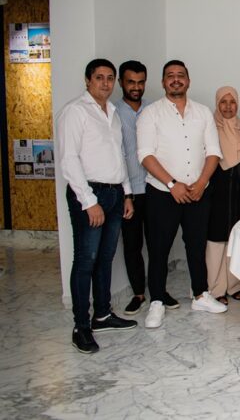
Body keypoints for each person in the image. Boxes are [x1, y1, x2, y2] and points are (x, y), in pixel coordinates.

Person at [137, 60, 227, 329]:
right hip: (162, 192)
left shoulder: (202, 112)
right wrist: (171, 184)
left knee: (196, 246)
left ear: (188, 81)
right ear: (163, 82)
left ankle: (200, 295)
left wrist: (201, 182)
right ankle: (157, 301)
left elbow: (213, 151)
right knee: (159, 248)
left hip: (198, 191)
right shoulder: (151, 113)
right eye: (170, 76)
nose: (176, 79)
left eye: (180, 75)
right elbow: (145, 154)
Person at [57, 59, 137, 354]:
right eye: (99, 77)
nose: (105, 83)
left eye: (110, 78)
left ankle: (102, 315)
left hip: (115, 193)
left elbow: (119, 156)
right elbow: (69, 160)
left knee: (105, 258)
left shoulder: (112, 112)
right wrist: (89, 201)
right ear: (87, 80)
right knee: (85, 260)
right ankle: (81, 326)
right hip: (90, 194)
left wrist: (127, 194)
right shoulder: (75, 112)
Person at [116, 60, 180, 316]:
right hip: (130, 191)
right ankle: (138, 294)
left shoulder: (155, 111)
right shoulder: (113, 113)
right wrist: (125, 193)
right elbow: (116, 155)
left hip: (156, 188)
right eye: (131, 82)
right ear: (121, 83)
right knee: (132, 244)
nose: (136, 87)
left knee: (158, 244)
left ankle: (159, 292)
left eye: (141, 82)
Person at [206, 86, 240, 305]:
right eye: (223, 102)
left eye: (232, 102)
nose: (228, 107)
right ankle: (216, 288)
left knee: (236, 236)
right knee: (216, 238)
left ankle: (235, 285)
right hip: (217, 189)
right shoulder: (209, 128)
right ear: (217, 104)